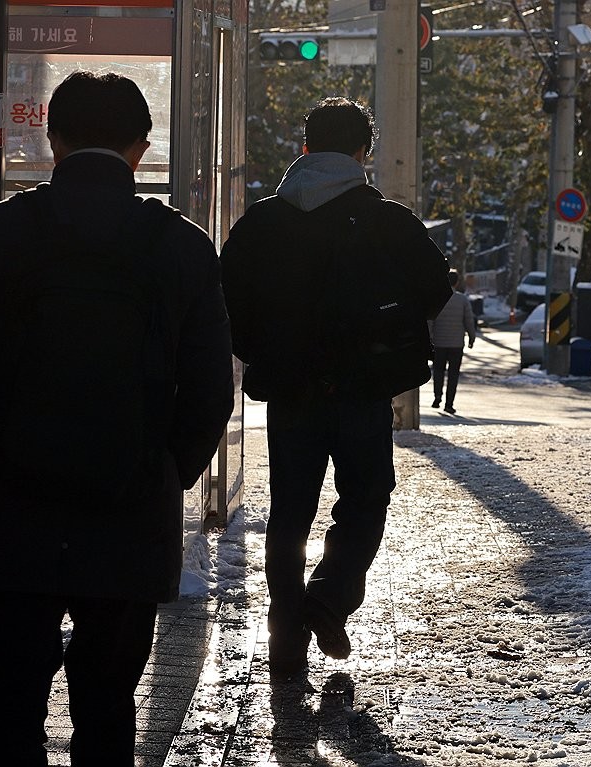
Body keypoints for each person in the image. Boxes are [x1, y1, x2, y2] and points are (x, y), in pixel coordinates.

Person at [0, 71, 233, 766]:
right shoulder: (181, 245)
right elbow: (213, 387)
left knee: (9, 707)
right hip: (127, 513)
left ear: (52, 137)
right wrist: (166, 470)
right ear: (142, 147)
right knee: (106, 708)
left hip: (11, 509)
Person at [220, 97, 450, 678]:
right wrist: (388, 327)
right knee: (366, 499)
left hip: (292, 394)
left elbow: (225, 304)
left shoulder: (263, 223)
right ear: (362, 154)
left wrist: (267, 353)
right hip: (364, 390)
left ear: (303, 149)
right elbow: (436, 286)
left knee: (289, 513)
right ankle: (328, 597)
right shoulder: (389, 221)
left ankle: (285, 628)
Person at [428, 268, 476, 414]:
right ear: (457, 282)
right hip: (456, 344)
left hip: (439, 343)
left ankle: (437, 397)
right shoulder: (462, 300)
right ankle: (449, 403)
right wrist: (471, 337)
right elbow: (468, 320)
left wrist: (429, 337)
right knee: (453, 374)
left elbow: (431, 321)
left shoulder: (437, 298)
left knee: (438, 371)